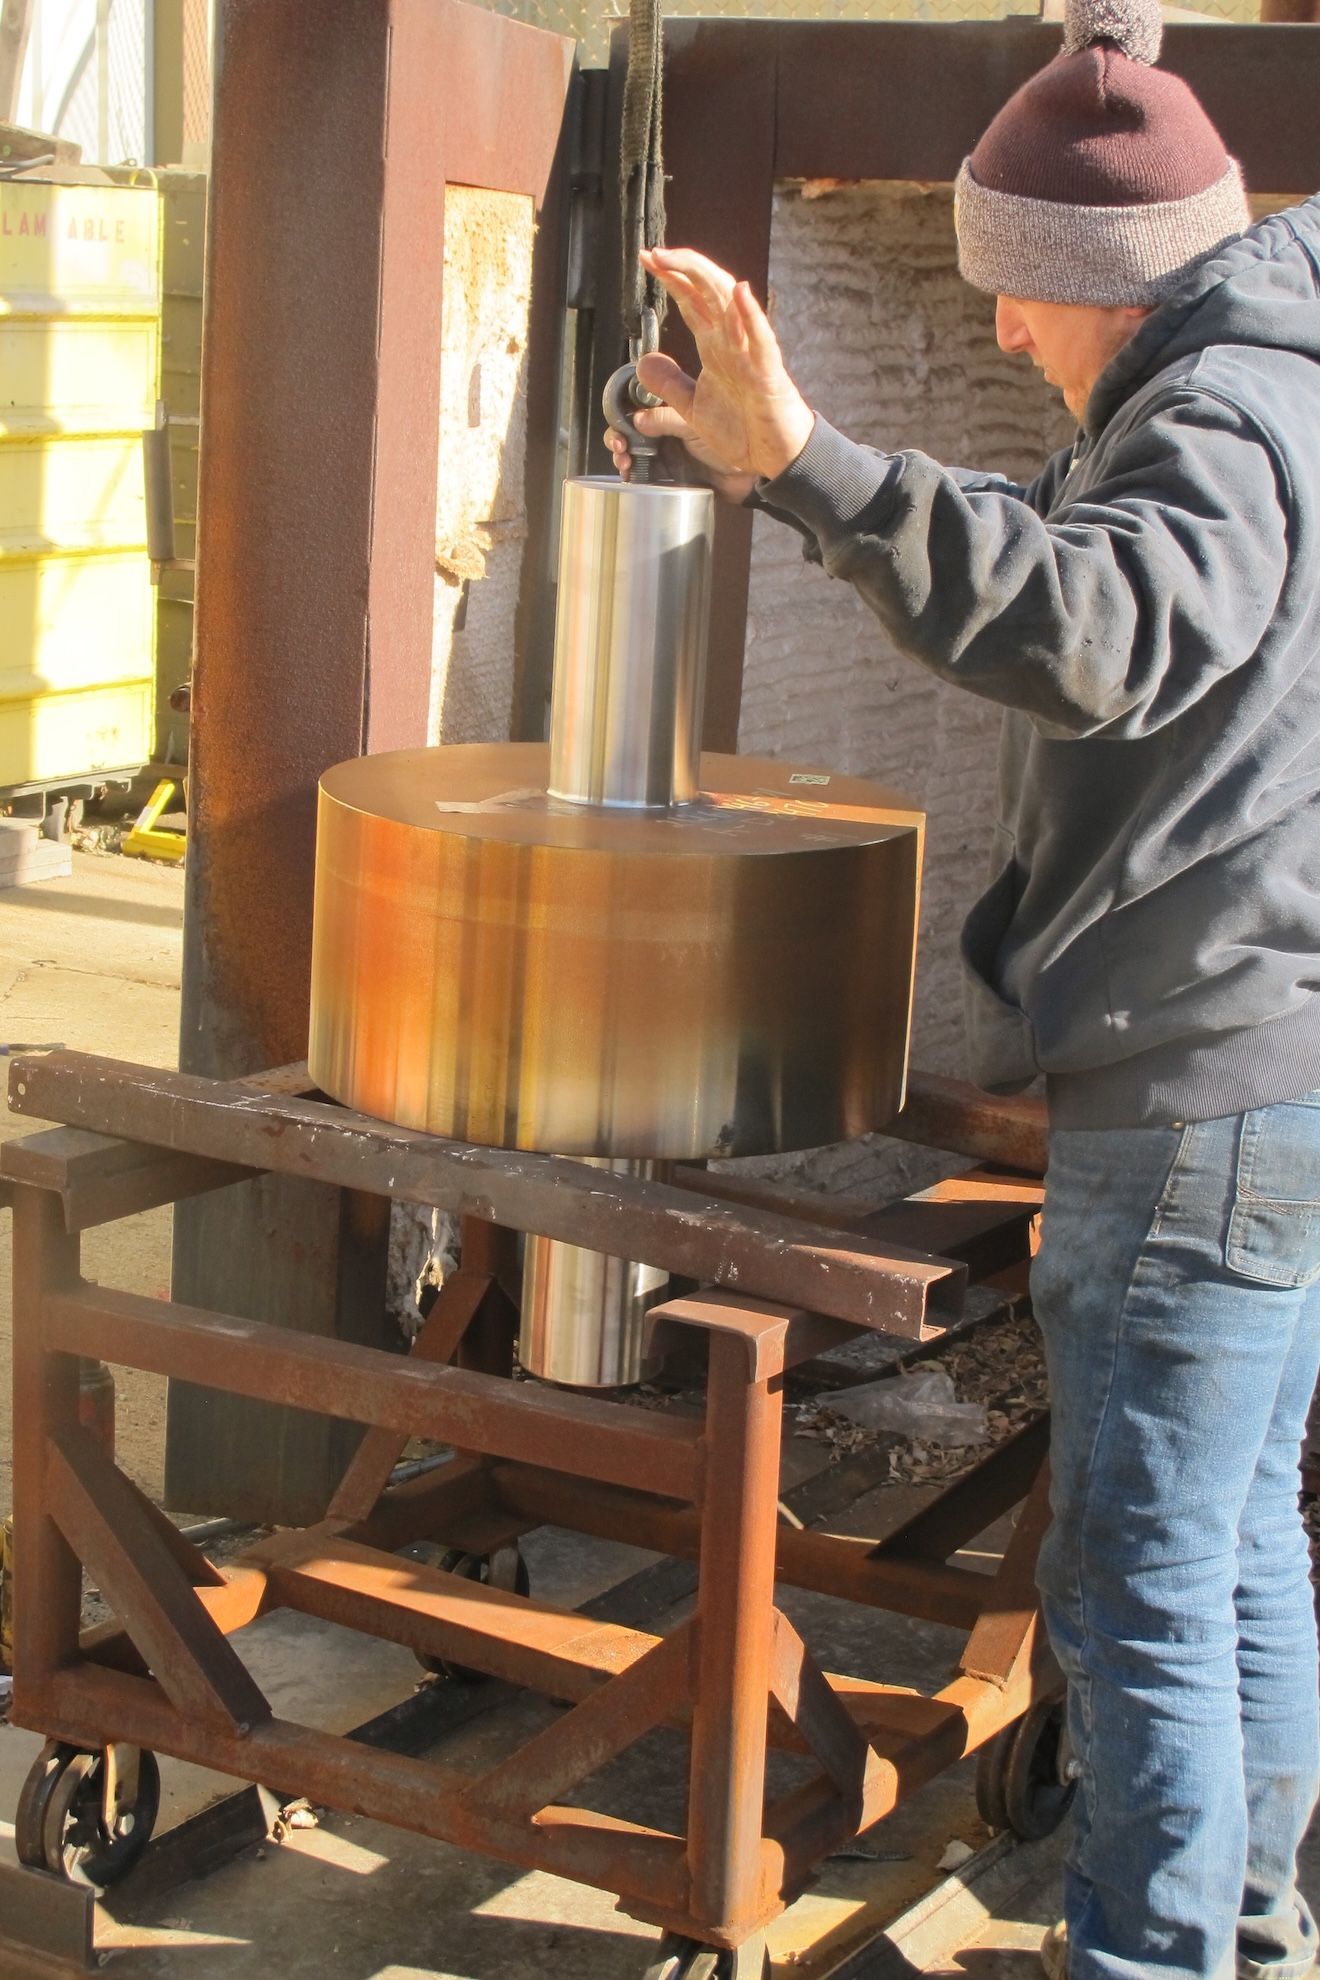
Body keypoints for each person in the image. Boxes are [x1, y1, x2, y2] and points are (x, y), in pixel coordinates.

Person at [606, 1, 1320, 1976]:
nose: (1004, 332)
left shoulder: (1220, 424)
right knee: (1242, 1541)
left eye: (1023, 294)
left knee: (1150, 1587)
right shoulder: (1279, 377)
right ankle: (1242, 1936)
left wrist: (814, 466)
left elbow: (1100, 628)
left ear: (1114, 279)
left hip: (1195, 1099)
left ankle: (1155, 1957)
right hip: (1274, 1064)